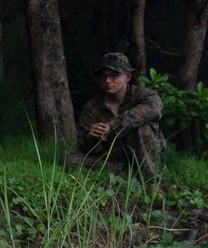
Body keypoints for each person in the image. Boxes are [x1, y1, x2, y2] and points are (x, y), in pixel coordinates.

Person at [61, 52, 166, 181]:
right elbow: (84, 147)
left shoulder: (144, 96)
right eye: (104, 76)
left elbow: (154, 108)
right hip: (112, 156)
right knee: (67, 158)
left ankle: (151, 180)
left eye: (114, 75)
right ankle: (129, 174)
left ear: (127, 76)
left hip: (142, 150)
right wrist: (91, 137)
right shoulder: (92, 107)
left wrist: (112, 125)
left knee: (142, 126)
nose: (107, 81)